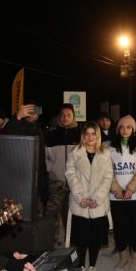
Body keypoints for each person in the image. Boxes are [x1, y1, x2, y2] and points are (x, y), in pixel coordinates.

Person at [65, 121, 113, 271]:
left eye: (93, 133)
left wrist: (97, 198)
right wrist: (81, 197)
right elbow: (70, 175)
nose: (90, 137)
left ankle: (92, 266)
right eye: (87, 134)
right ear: (83, 136)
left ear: (98, 135)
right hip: (80, 204)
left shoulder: (105, 153)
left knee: (95, 239)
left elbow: (108, 177)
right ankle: (81, 267)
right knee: (81, 239)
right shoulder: (74, 153)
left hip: (98, 204)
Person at [108, 115, 136, 271]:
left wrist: (131, 188)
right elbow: (107, 170)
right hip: (116, 194)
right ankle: (123, 255)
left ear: (133, 129)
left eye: (128, 127)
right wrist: (116, 188)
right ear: (118, 129)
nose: (125, 129)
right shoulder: (109, 147)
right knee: (119, 226)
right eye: (122, 126)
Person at [45, 103, 81, 245]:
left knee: (72, 216)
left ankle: (71, 246)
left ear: (73, 116)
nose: (65, 117)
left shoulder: (80, 135)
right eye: (63, 115)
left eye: (69, 115)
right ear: (59, 117)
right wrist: (51, 171)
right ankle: (50, 244)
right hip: (56, 182)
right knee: (51, 215)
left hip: (74, 183)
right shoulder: (51, 136)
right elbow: (45, 158)